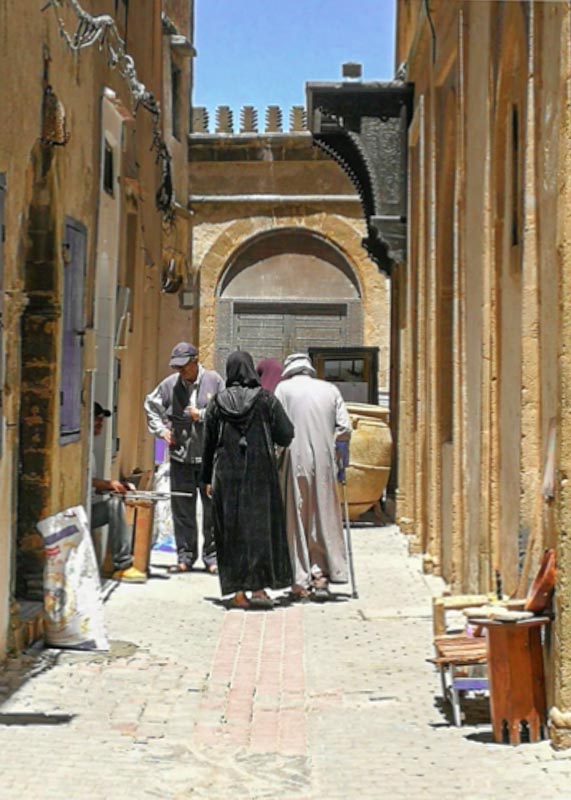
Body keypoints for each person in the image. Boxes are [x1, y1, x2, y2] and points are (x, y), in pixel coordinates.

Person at [201, 351, 295, 609]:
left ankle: (237, 593)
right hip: (260, 474)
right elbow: (287, 434)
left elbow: (207, 443)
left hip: (226, 476)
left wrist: (207, 478)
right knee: (259, 531)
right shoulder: (266, 400)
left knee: (230, 532)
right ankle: (260, 590)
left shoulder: (218, 402)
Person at [275, 353, 352, 601]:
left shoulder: (283, 389)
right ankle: (322, 574)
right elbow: (345, 428)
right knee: (323, 516)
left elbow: (276, 427)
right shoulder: (330, 389)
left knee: (295, 518)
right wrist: (338, 454)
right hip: (325, 463)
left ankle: (299, 578)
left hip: (294, 460)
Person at [144, 342, 224, 574]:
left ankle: (212, 558)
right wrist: (161, 431)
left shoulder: (215, 381)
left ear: (195, 361)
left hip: (209, 460)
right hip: (181, 458)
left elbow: (226, 410)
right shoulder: (169, 385)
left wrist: (204, 415)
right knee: (182, 509)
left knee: (211, 511)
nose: (181, 372)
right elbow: (150, 404)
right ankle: (185, 557)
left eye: (184, 367)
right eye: (177, 368)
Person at [91, 402, 146, 583]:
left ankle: (119, 562)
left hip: (87, 506)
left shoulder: (90, 451)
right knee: (113, 506)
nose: (100, 424)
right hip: (75, 513)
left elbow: (91, 485)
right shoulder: (81, 448)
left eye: (101, 420)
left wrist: (113, 486)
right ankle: (122, 564)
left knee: (116, 503)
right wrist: (109, 484)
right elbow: (85, 481)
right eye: (96, 420)